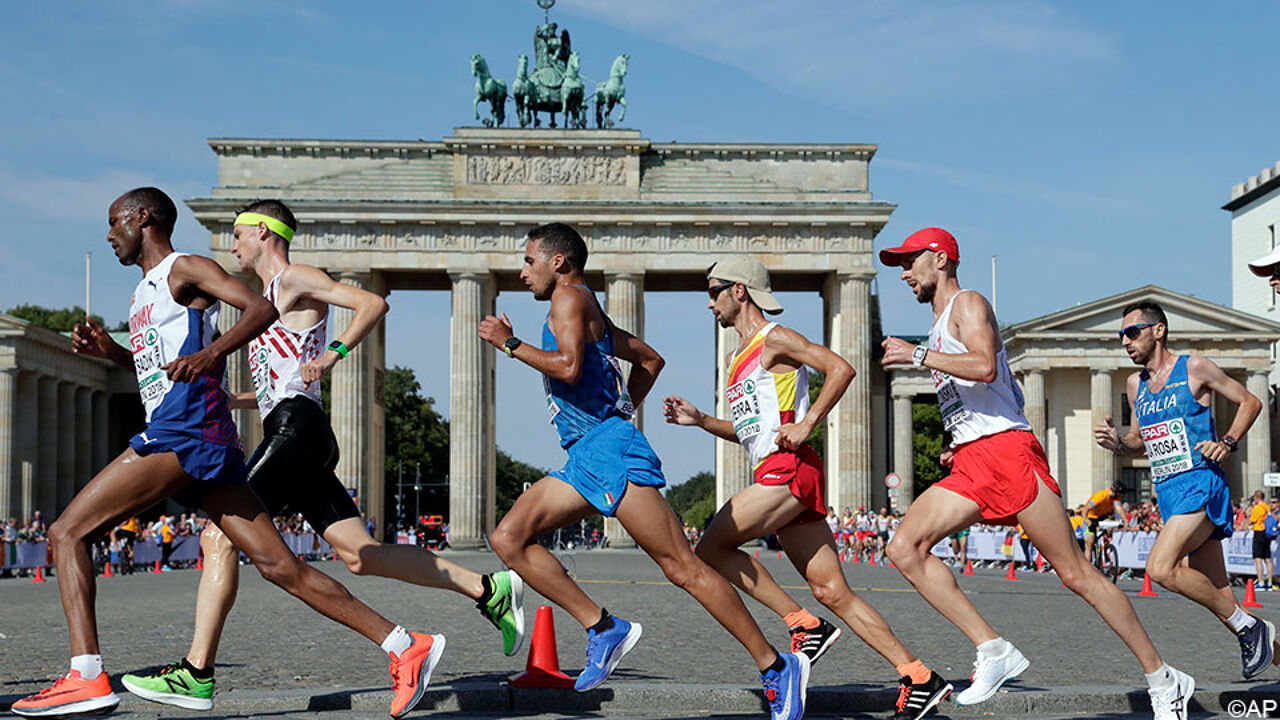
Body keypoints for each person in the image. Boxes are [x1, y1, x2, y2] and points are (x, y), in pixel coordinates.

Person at [10, 188, 442, 719]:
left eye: (113, 222)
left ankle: (86, 675)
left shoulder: (184, 267)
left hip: (185, 432)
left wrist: (213, 352)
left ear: (142, 218)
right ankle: (405, 646)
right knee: (281, 567)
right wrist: (113, 353)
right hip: (201, 435)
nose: (108, 235)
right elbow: (162, 373)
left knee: (66, 532)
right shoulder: (146, 292)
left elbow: (259, 307)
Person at [119, 199, 525, 711]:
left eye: (241, 235)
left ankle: (197, 671)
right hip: (293, 427)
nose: (234, 245)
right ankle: (487, 588)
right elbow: (272, 383)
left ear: (265, 233)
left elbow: (373, 304)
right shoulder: (265, 295)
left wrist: (335, 353)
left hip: (297, 427)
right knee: (361, 555)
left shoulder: (293, 279)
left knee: (218, 535)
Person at [479, 223, 807, 720]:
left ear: (559, 261)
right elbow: (651, 359)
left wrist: (510, 344)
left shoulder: (568, 299)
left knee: (683, 568)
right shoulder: (587, 306)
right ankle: (602, 628)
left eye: (530, 261)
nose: (523, 272)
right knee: (510, 538)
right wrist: (619, 409)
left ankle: (776, 665)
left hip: (607, 451)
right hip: (589, 453)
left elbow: (568, 367)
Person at [878, 227, 1193, 719]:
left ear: (939, 259)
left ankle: (1163, 676)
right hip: (973, 459)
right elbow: (996, 391)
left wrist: (915, 354)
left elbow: (983, 367)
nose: (903, 272)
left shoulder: (969, 304)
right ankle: (993, 649)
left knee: (1076, 574)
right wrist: (957, 438)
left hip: (1007, 454)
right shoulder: (944, 320)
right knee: (904, 547)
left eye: (909, 261)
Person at [662, 255, 951, 720]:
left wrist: (808, 423)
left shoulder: (774, 338)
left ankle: (804, 627)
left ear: (740, 291)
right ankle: (918, 676)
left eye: (714, 289)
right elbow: (750, 431)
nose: (708, 301)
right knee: (833, 591)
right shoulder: (740, 357)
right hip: (775, 467)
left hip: (789, 468)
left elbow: (840, 368)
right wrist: (701, 422)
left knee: (710, 547)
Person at [1094, 300, 1273, 681]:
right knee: (1222, 599)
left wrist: (1227, 441)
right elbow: (1139, 441)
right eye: (1121, 335)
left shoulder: (1193, 367)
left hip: (1201, 482)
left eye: (1132, 332)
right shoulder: (1135, 384)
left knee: (1160, 569)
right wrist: (1117, 444)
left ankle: (1254, 628)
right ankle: (1270, 648)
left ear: (1158, 331)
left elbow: (1250, 401)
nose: (1125, 342)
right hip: (1169, 493)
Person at [1082, 482, 1123, 567]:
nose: (1115, 496)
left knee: (1110, 526)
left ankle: (1106, 546)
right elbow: (1085, 510)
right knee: (1089, 543)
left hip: (1102, 516)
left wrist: (1125, 521)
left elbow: (1119, 509)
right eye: (1114, 493)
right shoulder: (1100, 496)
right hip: (1090, 516)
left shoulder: (1116, 498)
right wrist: (1086, 520)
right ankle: (1088, 568)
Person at [1248, 490, 1275, 591]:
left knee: (1258, 558)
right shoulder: (1268, 507)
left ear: (1256, 497)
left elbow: (1251, 521)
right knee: (1268, 558)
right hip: (1267, 533)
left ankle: (1261, 582)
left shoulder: (1258, 508)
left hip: (1259, 531)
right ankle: (1270, 582)